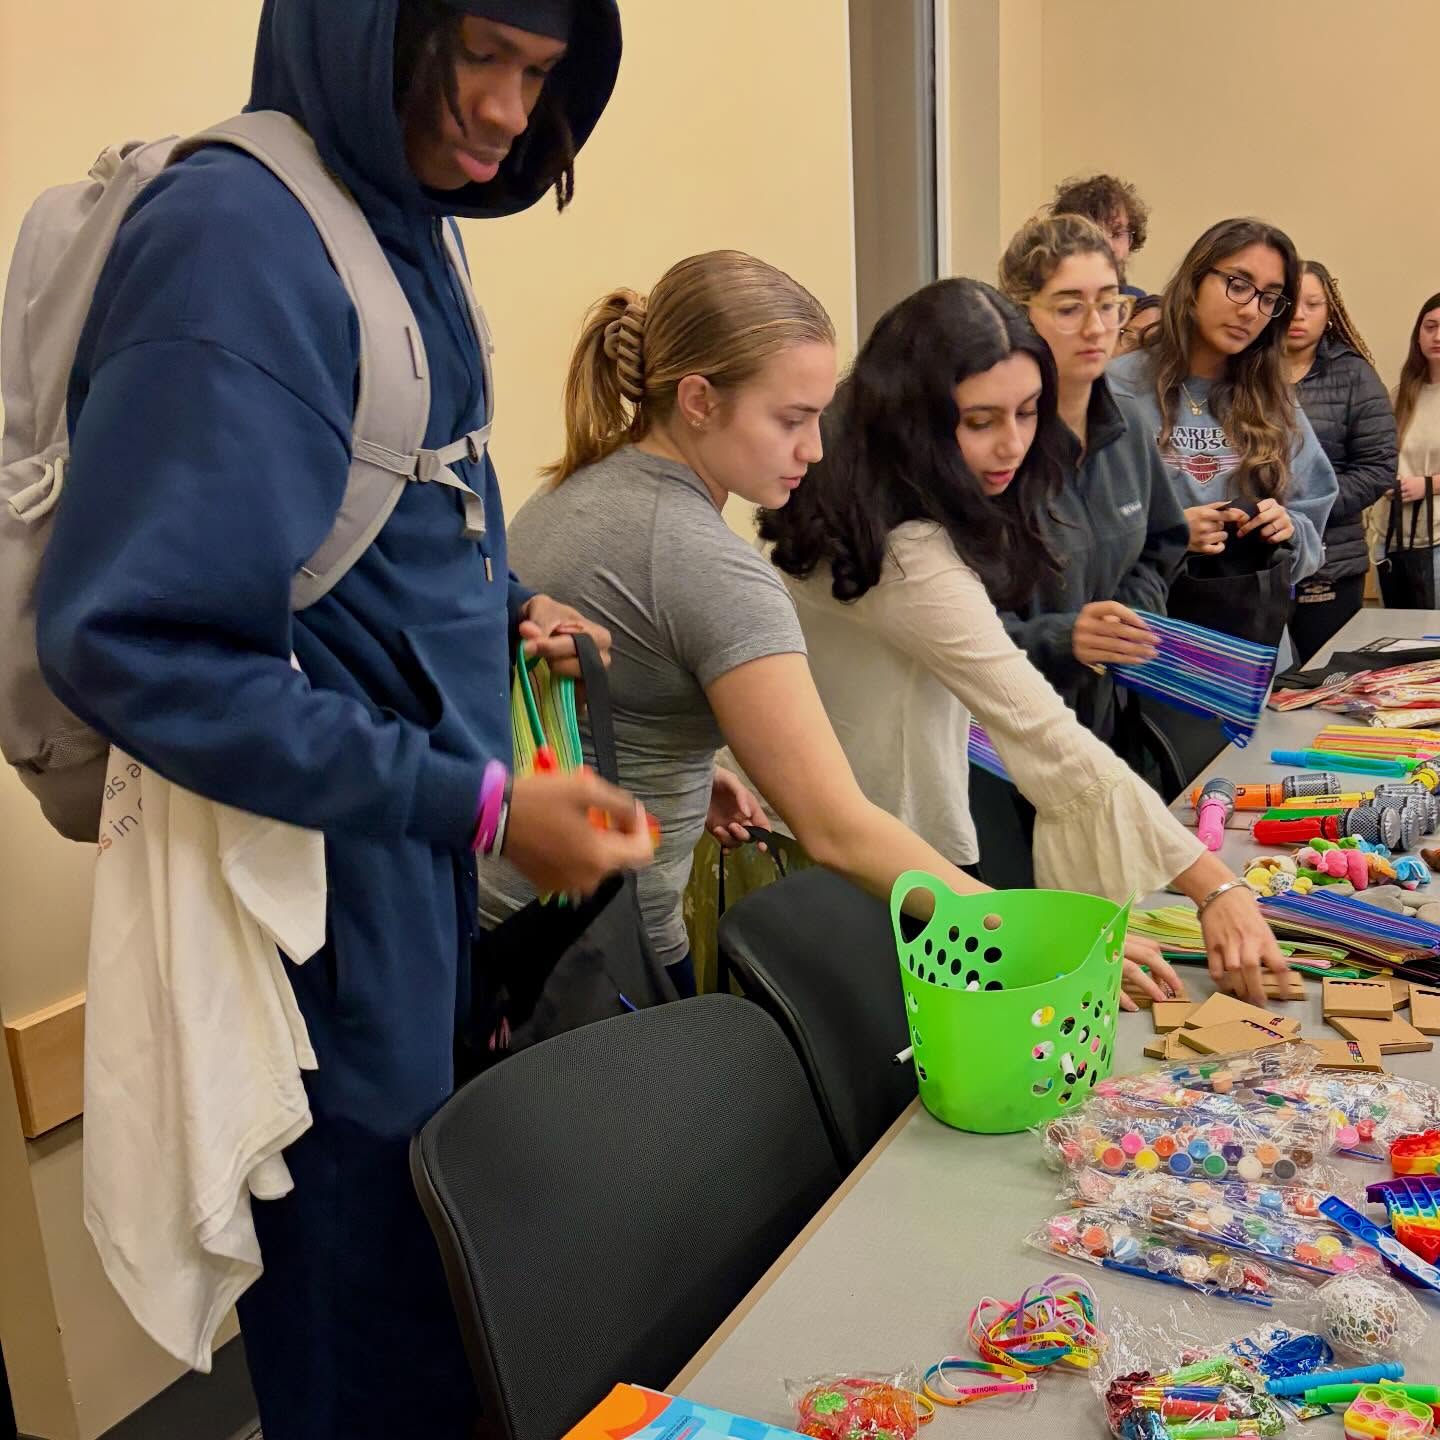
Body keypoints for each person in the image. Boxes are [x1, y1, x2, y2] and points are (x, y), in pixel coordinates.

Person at [33, 3, 644, 1436]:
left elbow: (372, 510)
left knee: (426, 1270)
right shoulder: (235, 241)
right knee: (359, 1309)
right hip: (314, 893)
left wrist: (504, 614)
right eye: (478, 54)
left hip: (402, 862)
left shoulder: (396, 220)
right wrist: (480, 805)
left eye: (541, 78)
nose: (503, 113)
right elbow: (131, 641)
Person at [480, 250, 1181, 1006]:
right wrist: (1026, 932)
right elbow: (836, 827)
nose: (814, 449)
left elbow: (602, 685)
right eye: (792, 421)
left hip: (502, 917)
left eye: (819, 417)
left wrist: (684, 759)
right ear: (697, 400)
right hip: (597, 955)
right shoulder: (708, 564)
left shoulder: (572, 485)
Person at [756, 277, 1286, 1004]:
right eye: (980, 421)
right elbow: (1044, 734)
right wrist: (1214, 885)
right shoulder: (909, 555)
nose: (1012, 444)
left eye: (1029, 412)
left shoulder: (855, 493)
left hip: (862, 849)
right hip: (861, 870)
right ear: (914, 421)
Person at [996, 213, 1187, 745]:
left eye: (1108, 303)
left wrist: (1127, 620)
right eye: (1068, 307)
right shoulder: (998, 446)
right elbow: (953, 622)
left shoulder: (1127, 426)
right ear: (1021, 317)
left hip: (1108, 719)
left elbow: (1161, 546)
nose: (1096, 327)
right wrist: (1061, 639)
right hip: (1008, 736)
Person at [1108, 218, 1338, 648]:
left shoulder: (1275, 402)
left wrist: (1287, 527)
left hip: (1246, 648)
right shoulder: (1117, 387)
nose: (1251, 310)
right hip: (1142, 643)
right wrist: (1168, 533)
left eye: (1270, 298)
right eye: (1237, 283)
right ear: (1195, 281)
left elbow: (1312, 527)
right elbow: (1072, 534)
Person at [1284, 261, 1396, 663]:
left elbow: (1379, 466)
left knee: (1323, 680)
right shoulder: (1243, 370)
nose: (1299, 315)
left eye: (1313, 304)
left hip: (1330, 562)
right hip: (1253, 566)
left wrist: (1307, 508)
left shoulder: (1353, 373)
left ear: (1330, 310)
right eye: (1289, 303)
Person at [1368, 292, 1440, 600]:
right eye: (1430, 326)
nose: (1437, 336)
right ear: (1418, 334)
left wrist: (1429, 485)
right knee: (1398, 639)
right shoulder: (1400, 394)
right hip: (1391, 539)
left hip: (1436, 540)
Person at [1050, 172, 1150, 297]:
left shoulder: (1139, 304)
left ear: (1130, 240)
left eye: (1117, 234)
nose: (1108, 247)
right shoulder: (1040, 305)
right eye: (1093, 236)